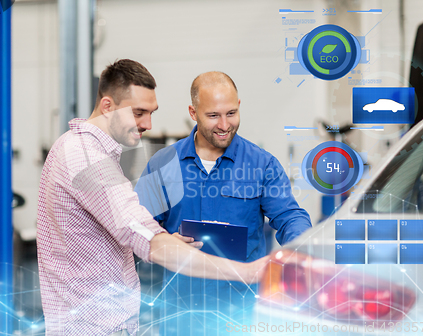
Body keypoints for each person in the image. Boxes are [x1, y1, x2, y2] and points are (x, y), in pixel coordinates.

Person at [36, 61, 268, 336]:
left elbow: (131, 231)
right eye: (138, 113)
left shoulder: (75, 146)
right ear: (108, 106)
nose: (147, 124)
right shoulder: (86, 158)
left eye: (150, 113)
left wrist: (163, 239)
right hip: (95, 327)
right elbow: (147, 238)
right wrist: (249, 272)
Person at [135, 71, 312, 335]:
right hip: (180, 313)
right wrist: (164, 238)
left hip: (241, 313)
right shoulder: (163, 164)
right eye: (213, 116)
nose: (224, 124)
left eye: (231, 113)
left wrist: (298, 250)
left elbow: (290, 216)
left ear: (239, 106)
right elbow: (138, 227)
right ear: (193, 113)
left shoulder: (262, 165)